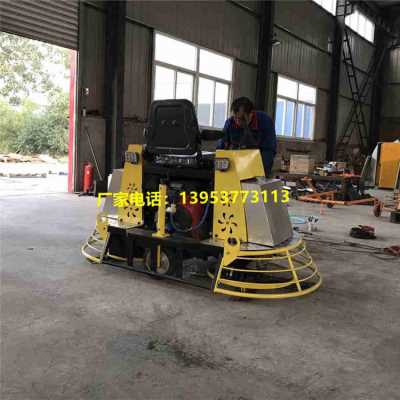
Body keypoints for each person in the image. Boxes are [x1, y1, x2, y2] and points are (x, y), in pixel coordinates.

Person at [217, 97, 277, 176]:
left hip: (258, 164)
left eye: (241, 119)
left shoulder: (265, 122)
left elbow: (268, 151)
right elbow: (221, 149)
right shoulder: (230, 123)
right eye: (235, 118)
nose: (238, 122)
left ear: (251, 114)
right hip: (236, 166)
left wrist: (260, 174)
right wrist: (220, 174)